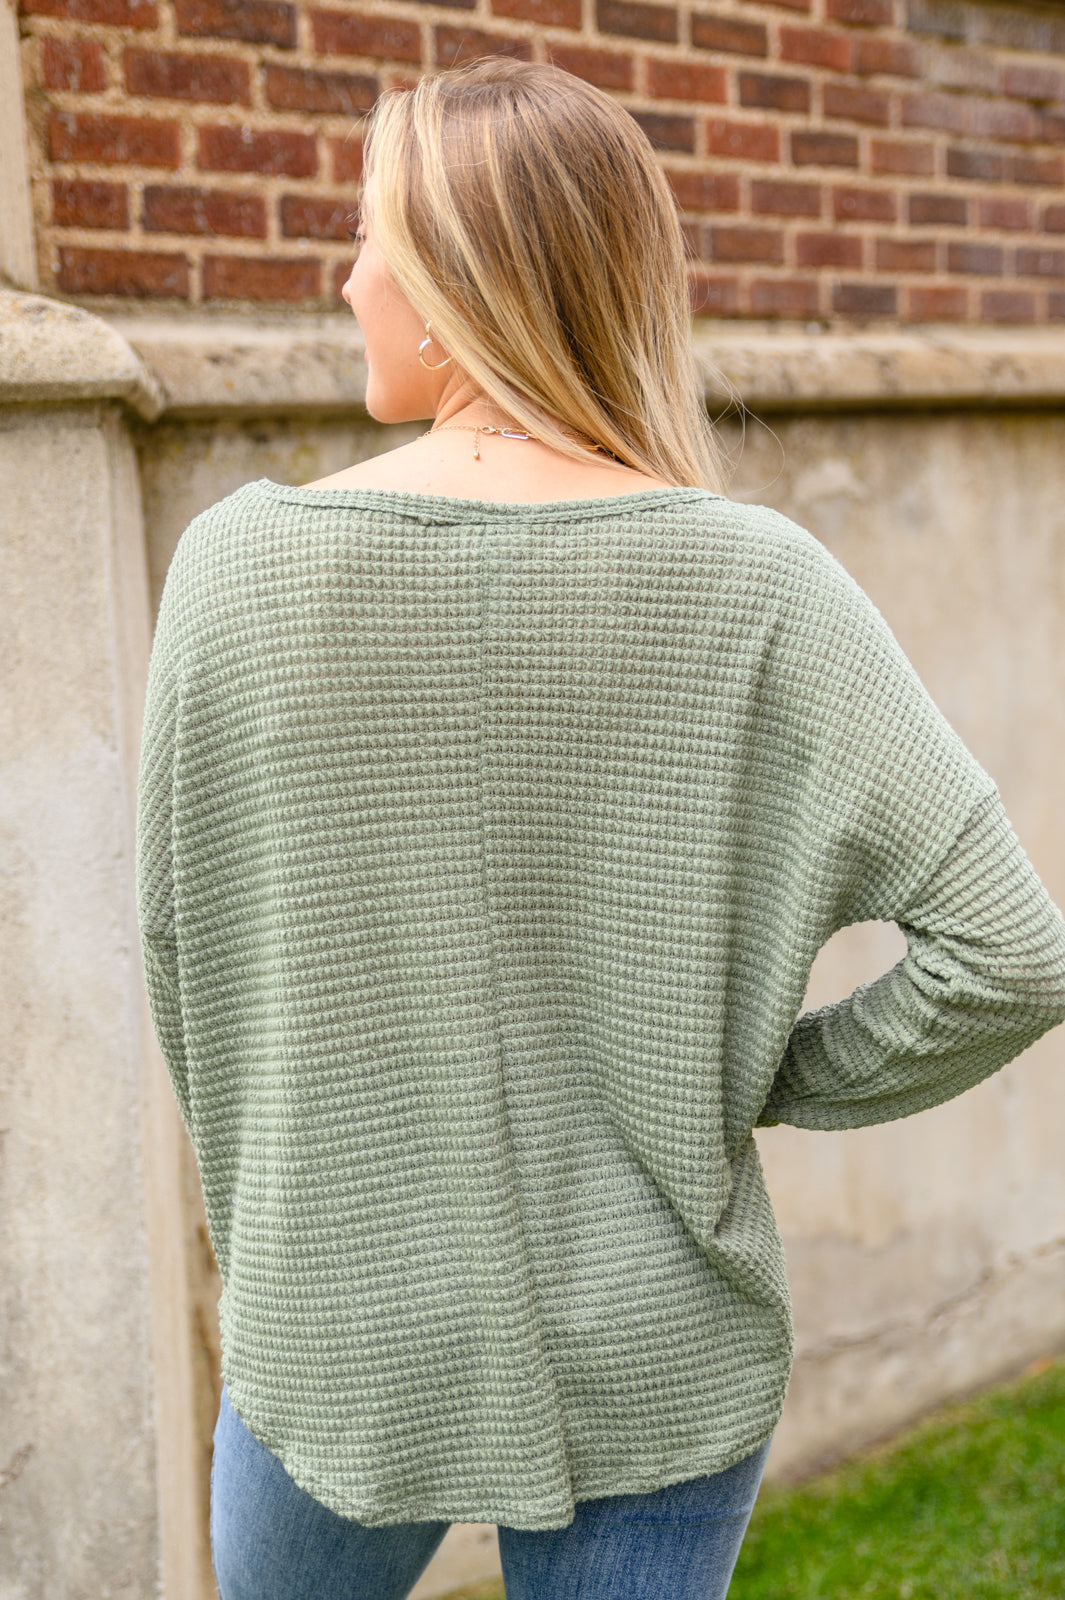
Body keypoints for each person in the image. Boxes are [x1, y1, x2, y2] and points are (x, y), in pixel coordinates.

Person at [136, 58, 1065, 1600]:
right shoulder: (765, 586)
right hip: (655, 1326)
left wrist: (283, 1239)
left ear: (451, 283)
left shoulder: (234, 571)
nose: (346, 280)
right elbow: (1009, 955)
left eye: (368, 239)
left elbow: (188, 963)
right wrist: (746, 1077)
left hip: (337, 1326)